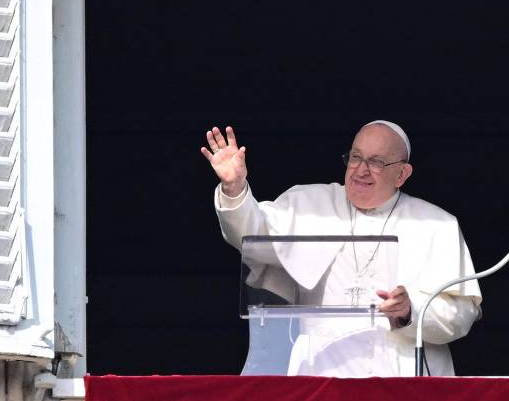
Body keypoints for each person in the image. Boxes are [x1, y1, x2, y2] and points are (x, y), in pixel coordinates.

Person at [201, 122, 482, 377]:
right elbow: (252, 234)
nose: (361, 170)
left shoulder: (435, 223)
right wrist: (234, 188)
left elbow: (461, 313)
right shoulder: (310, 203)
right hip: (319, 371)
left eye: (376, 162)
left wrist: (412, 309)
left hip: (401, 372)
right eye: (356, 157)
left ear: (402, 174)